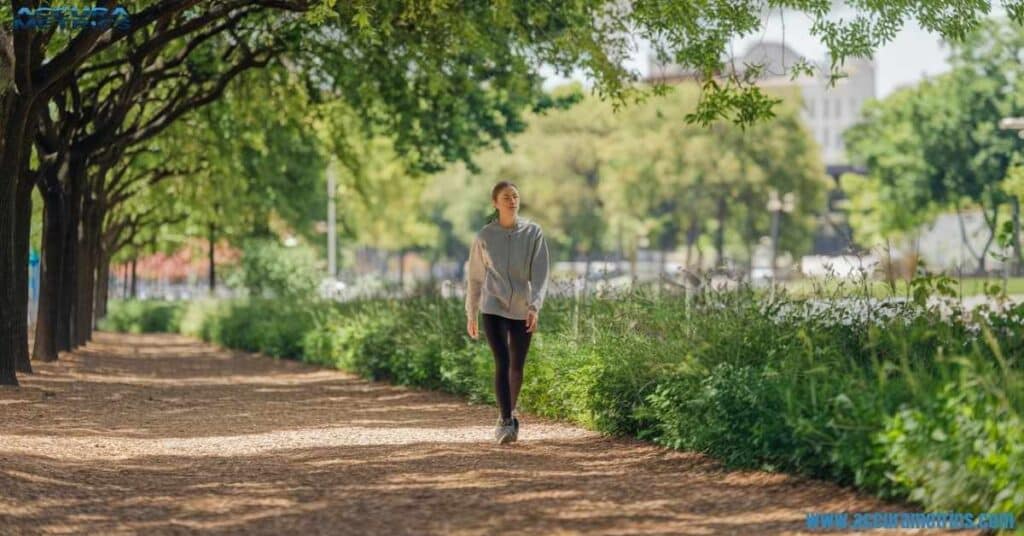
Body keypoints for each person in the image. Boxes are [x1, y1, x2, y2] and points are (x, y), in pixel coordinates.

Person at [465, 181, 549, 445]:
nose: (512, 201)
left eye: (515, 196)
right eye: (506, 197)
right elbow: (475, 278)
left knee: (517, 364)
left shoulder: (533, 232)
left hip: (523, 307)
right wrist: (471, 312)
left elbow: (541, 274)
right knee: (501, 360)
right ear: (495, 202)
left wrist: (535, 306)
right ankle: (505, 421)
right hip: (493, 306)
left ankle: (510, 412)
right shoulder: (485, 236)